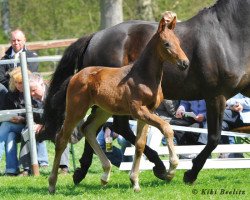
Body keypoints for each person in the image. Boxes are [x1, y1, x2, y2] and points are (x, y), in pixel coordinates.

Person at [18, 72, 70, 176]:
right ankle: (26, 169)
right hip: (40, 128)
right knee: (26, 133)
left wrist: (44, 125)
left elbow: (61, 116)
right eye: (29, 91)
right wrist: (32, 123)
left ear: (41, 84)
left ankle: (63, 168)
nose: (32, 94)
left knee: (60, 134)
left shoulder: (56, 93)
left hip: (58, 126)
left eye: (33, 90)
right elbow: (28, 114)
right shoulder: (29, 97)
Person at [0, 67, 32, 175]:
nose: (19, 85)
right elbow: (4, 111)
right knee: (10, 135)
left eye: (21, 82)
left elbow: (37, 115)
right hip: (14, 126)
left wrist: (22, 118)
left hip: (28, 126)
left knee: (6, 126)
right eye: (16, 82)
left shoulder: (32, 93)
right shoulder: (10, 95)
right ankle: (11, 170)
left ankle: (11, 169)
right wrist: (10, 117)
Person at [0, 29, 38, 105]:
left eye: (18, 40)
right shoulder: (5, 58)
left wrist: (12, 78)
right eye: (13, 40)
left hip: (26, 90)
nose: (16, 43)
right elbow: (1, 77)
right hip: (8, 91)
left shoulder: (31, 56)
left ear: (24, 40)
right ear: (10, 41)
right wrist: (13, 86)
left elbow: (29, 74)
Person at [218, 93, 250, 158]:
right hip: (229, 116)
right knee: (221, 124)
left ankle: (203, 150)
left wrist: (232, 103)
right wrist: (231, 106)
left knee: (215, 114)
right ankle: (227, 153)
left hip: (245, 117)